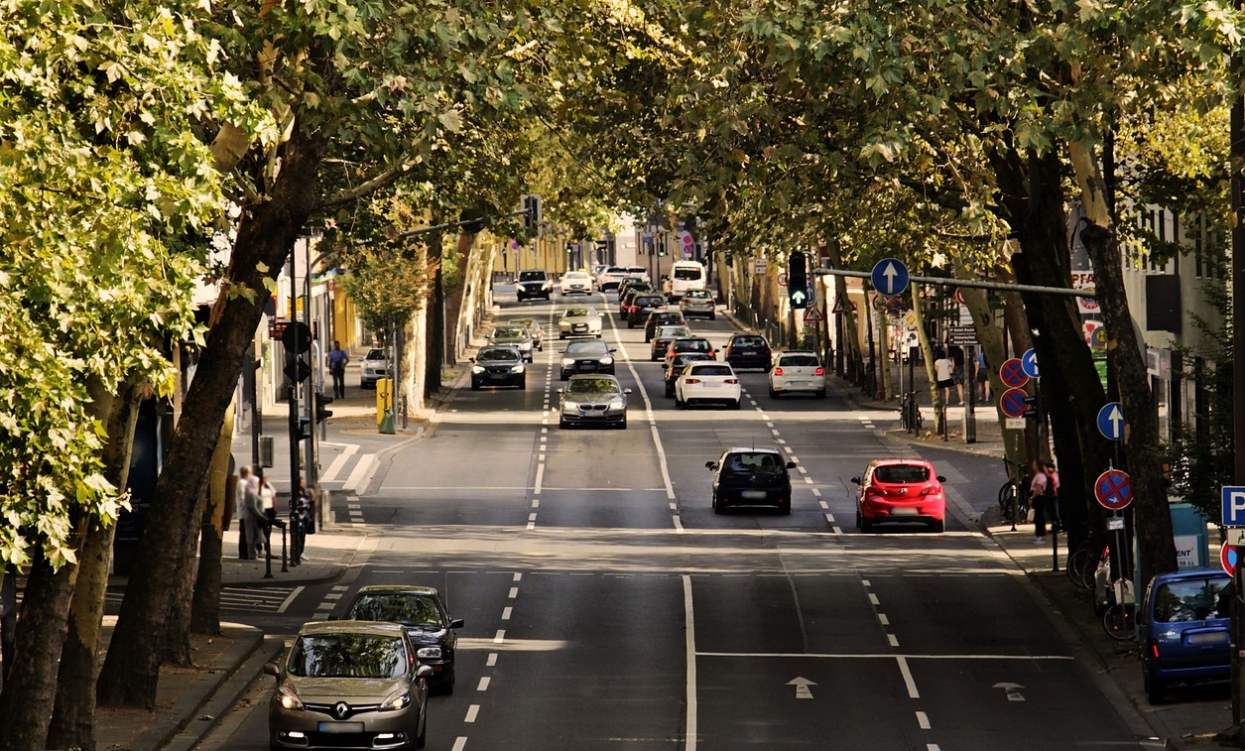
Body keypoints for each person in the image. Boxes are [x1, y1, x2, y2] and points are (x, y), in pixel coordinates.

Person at [1028, 459, 1050, 543]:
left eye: (1034, 464)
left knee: (1039, 517)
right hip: (1038, 497)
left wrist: (1032, 497)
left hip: (1039, 497)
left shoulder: (1041, 476)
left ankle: (1040, 536)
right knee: (1037, 517)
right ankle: (1038, 535)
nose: (1032, 466)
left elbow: (1038, 488)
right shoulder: (1038, 475)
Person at [235, 466, 254, 559]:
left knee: (246, 533)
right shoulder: (242, 483)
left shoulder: (245, 483)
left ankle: (247, 553)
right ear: (246, 473)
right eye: (250, 473)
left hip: (246, 513)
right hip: (245, 513)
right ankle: (244, 553)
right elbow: (244, 498)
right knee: (245, 533)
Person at [1045, 460, 1061, 533]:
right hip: (1051, 495)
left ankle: (1056, 525)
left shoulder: (1053, 475)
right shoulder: (1053, 475)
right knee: (1053, 511)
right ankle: (1055, 525)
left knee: (1055, 511)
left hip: (1054, 495)